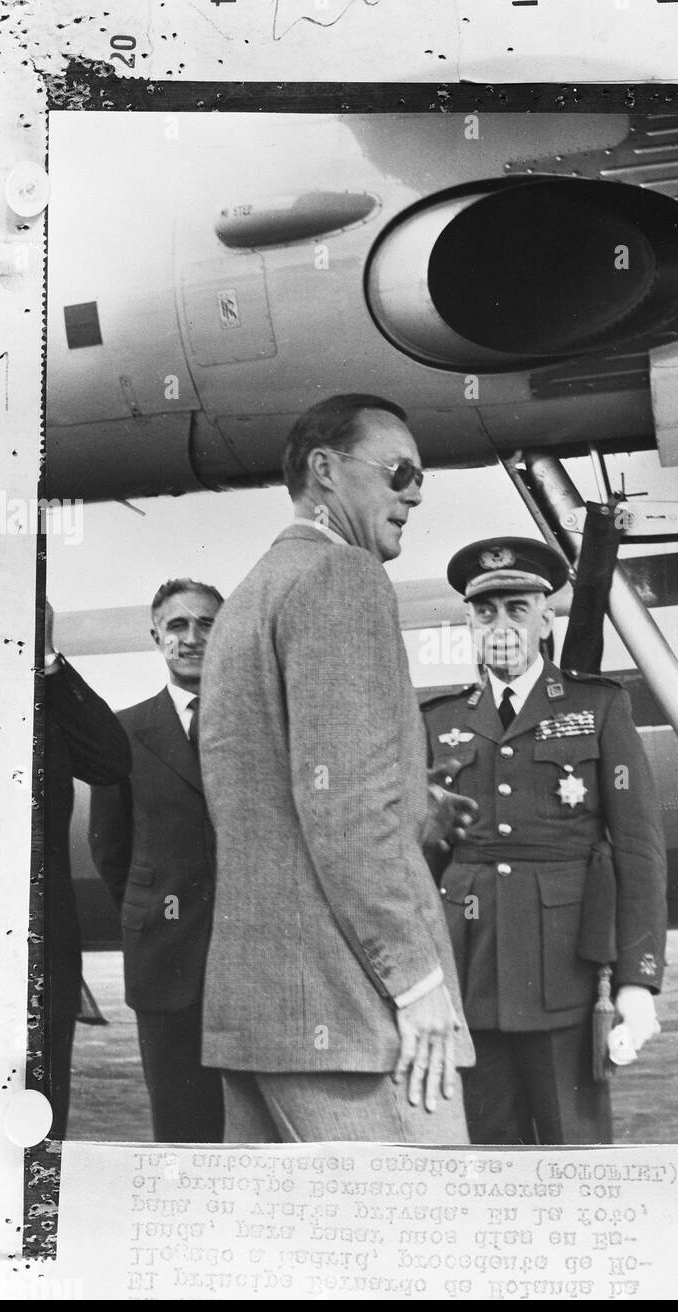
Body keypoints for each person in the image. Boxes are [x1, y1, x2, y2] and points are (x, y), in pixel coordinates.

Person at [198, 393, 474, 1143]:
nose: (415, 490)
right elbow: (347, 814)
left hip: (267, 1014)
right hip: (356, 1018)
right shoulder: (340, 578)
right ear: (325, 469)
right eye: (399, 470)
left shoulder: (250, 596)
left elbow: (276, 798)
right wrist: (417, 983)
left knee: (286, 1255)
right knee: (429, 1247)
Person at [421, 536, 668, 1144]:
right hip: (470, 972)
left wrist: (637, 980)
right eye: (485, 611)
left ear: (545, 619)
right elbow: (422, 863)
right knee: (488, 1160)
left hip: (565, 974)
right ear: (470, 624)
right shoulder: (440, 721)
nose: (499, 624)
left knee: (575, 1159)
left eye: (516, 609)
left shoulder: (599, 707)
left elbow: (639, 851)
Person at [88, 579, 225, 1142]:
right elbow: (110, 848)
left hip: (249, 958)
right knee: (180, 1123)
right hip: (164, 959)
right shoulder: (123, 731)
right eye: (177, 626)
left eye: (206, 625)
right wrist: (152, 916)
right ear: (156, 637)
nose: (192, 638)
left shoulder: (259, 722)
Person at [42, 601, 132, 1140]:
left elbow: (109, 760)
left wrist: (48, 656)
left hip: (42, 956)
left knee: (39, 1134)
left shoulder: (38, 692)